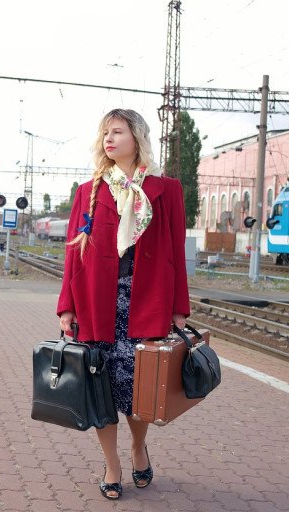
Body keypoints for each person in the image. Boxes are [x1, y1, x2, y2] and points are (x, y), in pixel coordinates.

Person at [56, 108, 191, 500]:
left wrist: (179, 306)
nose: (108, 140)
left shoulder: (166, 190)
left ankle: (137, 447)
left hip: (145, 301)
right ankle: (112, 463)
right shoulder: (90, 191)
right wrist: (67, 306)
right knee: (99, 388)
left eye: (117, 132)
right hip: (96, 304)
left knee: (137, 389)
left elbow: (176, 253)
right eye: (104, 134)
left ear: (137, 137)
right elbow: (72, 256)